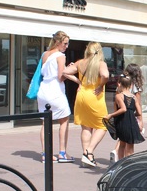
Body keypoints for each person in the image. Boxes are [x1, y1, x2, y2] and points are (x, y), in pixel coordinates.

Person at [63, 42, 109, 168]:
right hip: (95, 96)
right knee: (103, 124)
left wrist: (78, 81)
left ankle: (86, 156)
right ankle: (89, 152)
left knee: (86, 127)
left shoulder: (80, 62)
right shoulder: (100, 64)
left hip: (82, 95)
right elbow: (105, 75)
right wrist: (101, 85)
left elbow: (65, 71)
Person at [36, 31, 75, 163]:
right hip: (55, 91)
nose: (67, 46)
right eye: (65, 43)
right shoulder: (60, 56)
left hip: (43, 90)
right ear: (58, 42)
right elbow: (60, 76)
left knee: (45, 122)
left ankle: (45, 154)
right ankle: (62, 153)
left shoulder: (45, 55)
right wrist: (68, 70)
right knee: (64, 120)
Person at [105, 74, 145, 159]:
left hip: (122, 122)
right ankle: (129, 165)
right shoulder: (134, 97)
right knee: (130, 147)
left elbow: (123, 109)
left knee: (122, 145)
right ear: (130, 85)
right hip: (132, 123)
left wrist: (111, 115)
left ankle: (121, 164)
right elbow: (139, 112)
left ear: (119, 84)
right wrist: (132, 114)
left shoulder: (119, 96)